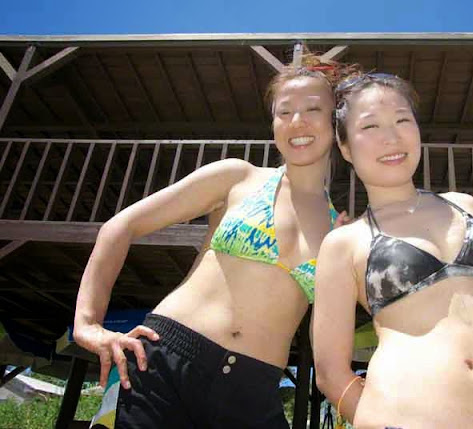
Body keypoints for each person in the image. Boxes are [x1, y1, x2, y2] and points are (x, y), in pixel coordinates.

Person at [73, 53, 349, 428]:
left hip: (253, 393)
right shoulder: (238, 177)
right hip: (164, 364)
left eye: (313, 109)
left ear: (336, 120)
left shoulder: (341, 231)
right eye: (284, 112)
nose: (296, 121)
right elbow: (120, 226)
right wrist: (87, 324)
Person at [312, 72, 473, 428]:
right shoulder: (344, 242)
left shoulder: (468, 207)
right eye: (370, 126)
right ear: (346, 147)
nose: (391, 137)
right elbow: (330, 373)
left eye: (402, 120)